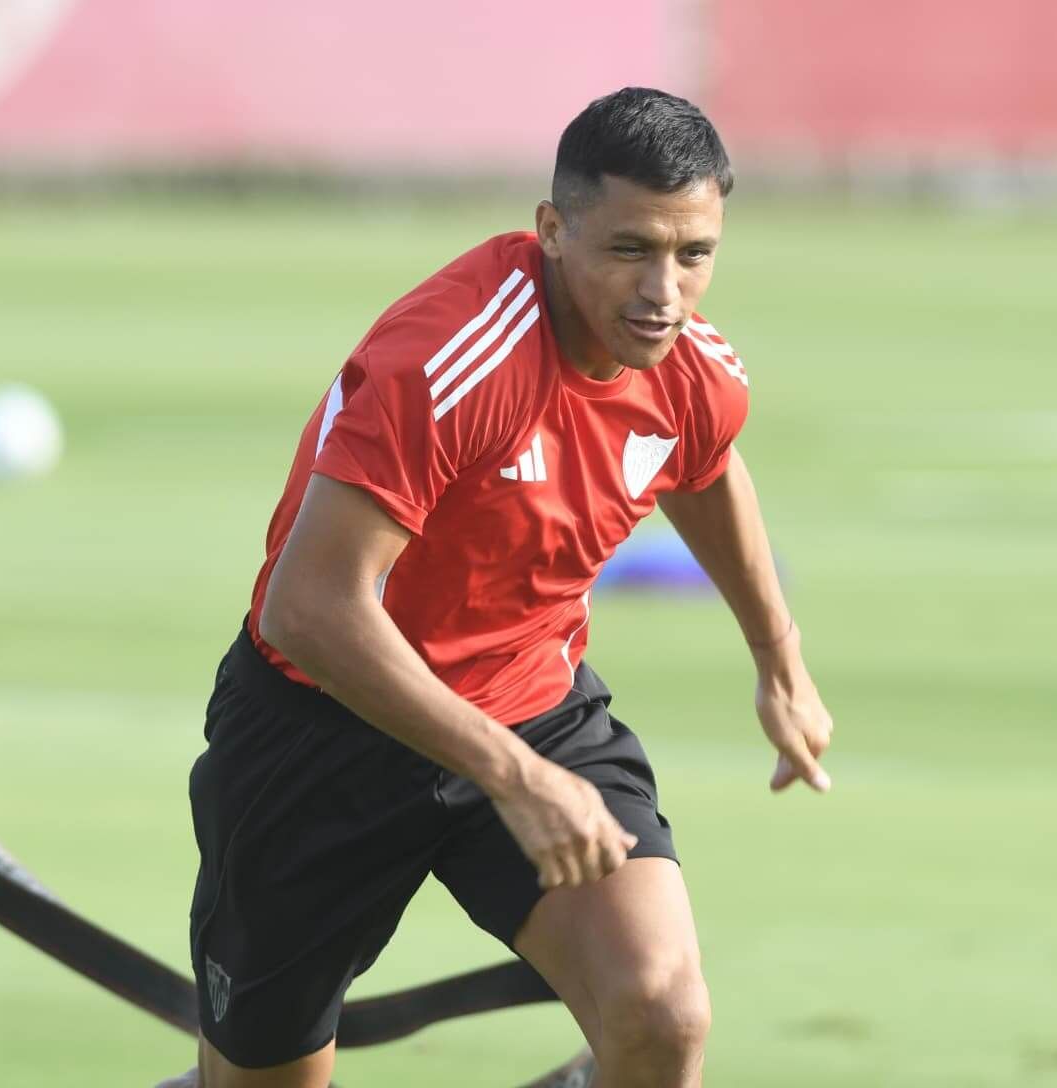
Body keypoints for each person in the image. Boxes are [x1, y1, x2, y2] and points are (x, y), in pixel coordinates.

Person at [185, 86, 834, 1088]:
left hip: (533, 711)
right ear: (553, 231)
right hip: (324, 734)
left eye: (692, 254)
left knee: (660, 1015)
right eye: (630, 250)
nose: (663, 290)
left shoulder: (688, 364)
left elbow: (700, 466)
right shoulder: (453, 361)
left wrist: (778, 658)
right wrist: (514, 778)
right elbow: (309, 609)